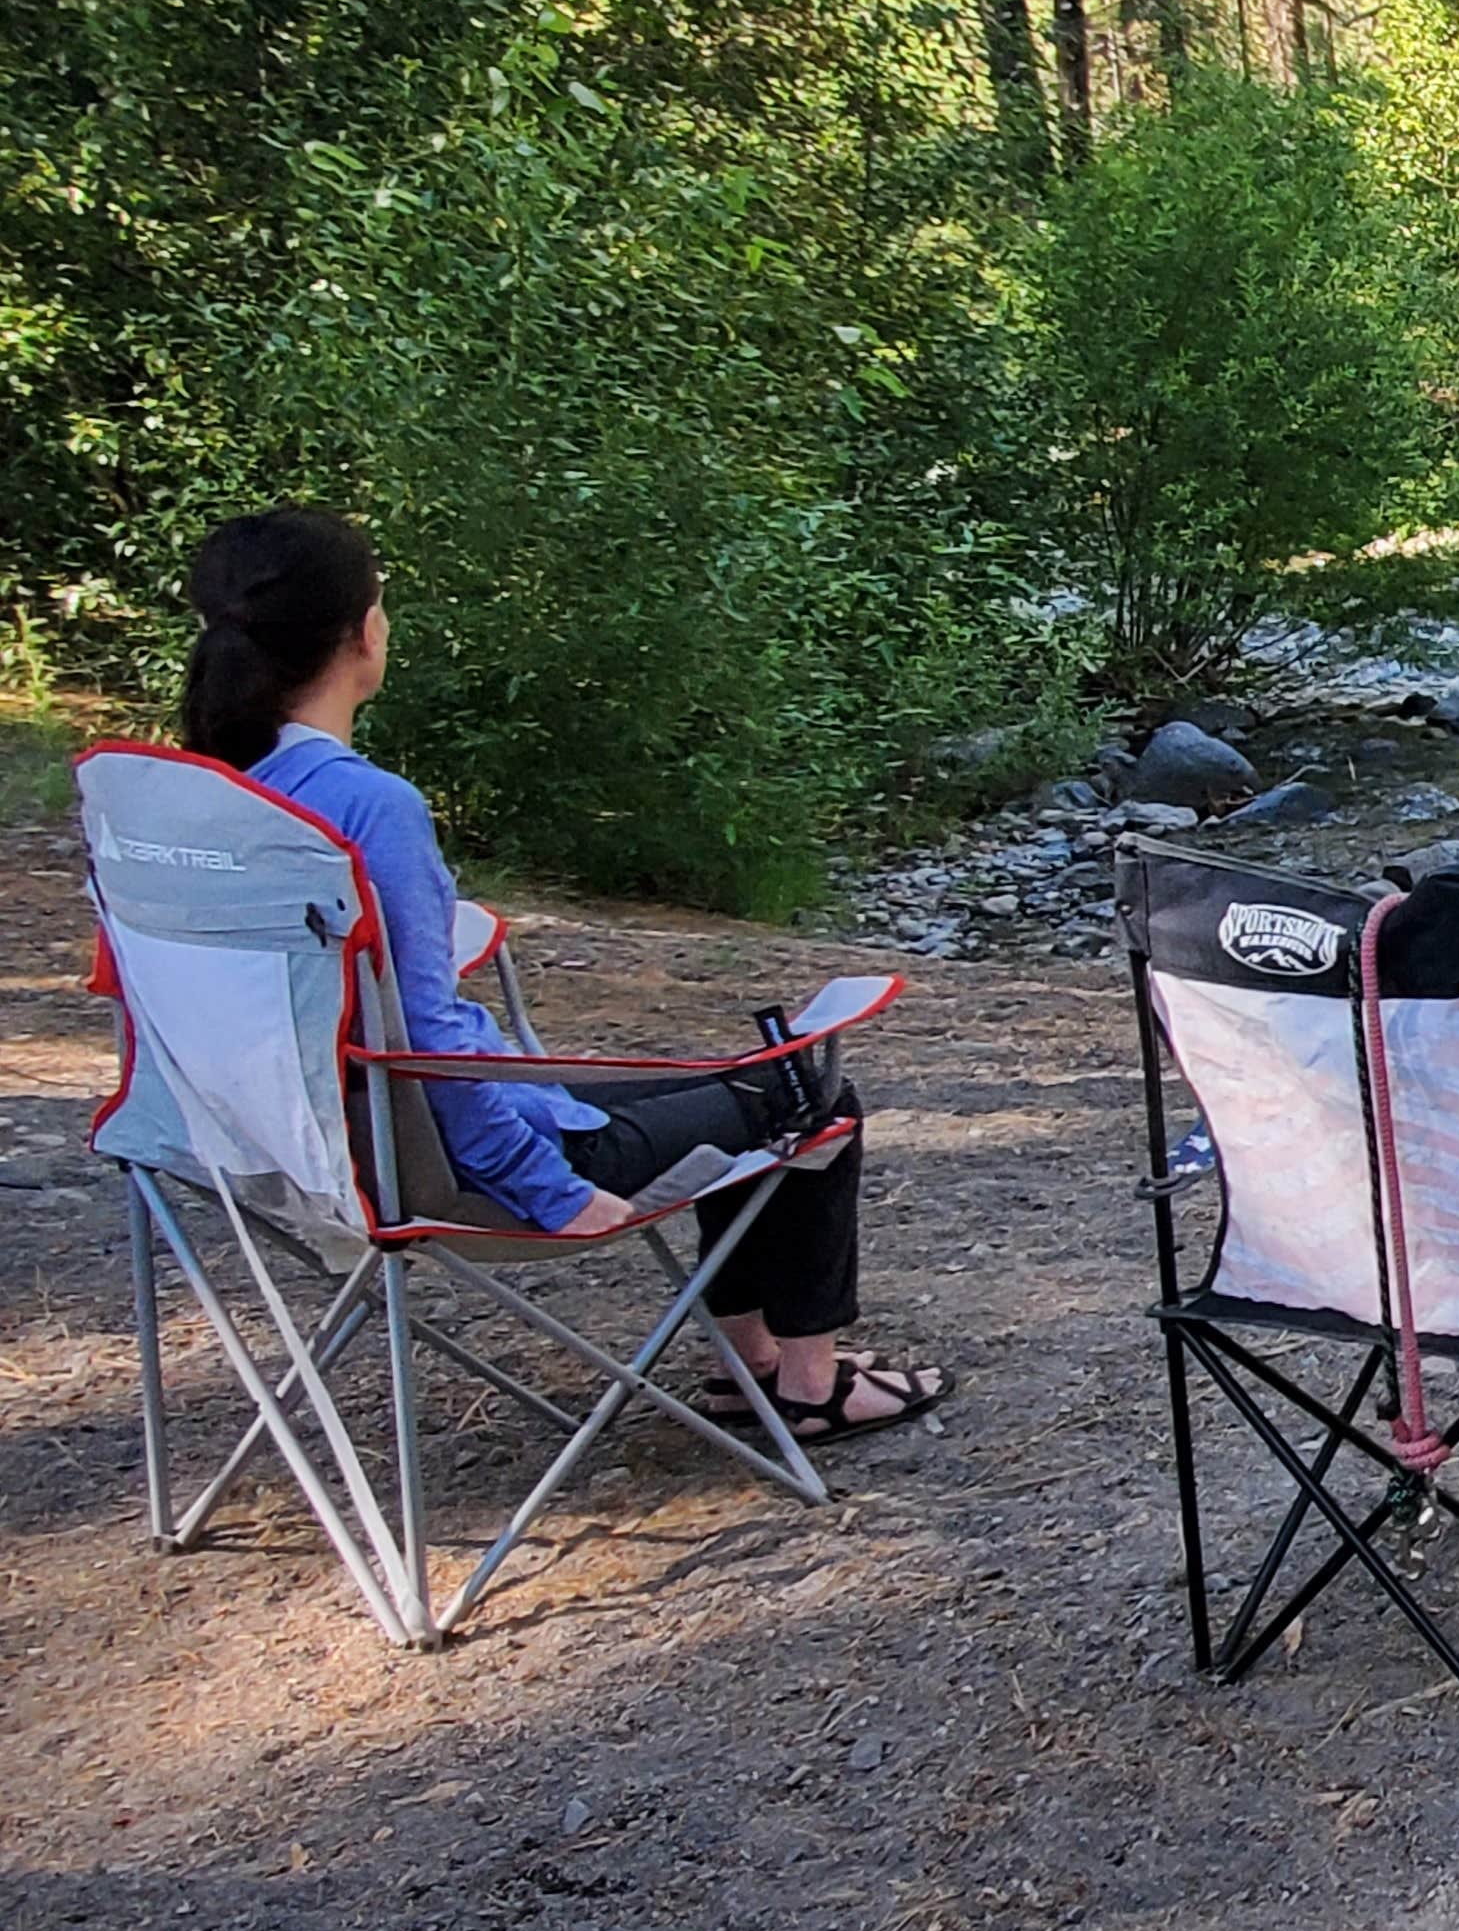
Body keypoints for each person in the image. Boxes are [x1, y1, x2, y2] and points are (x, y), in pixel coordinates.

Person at [180, 508, 948, 1441]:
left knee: (736, 1080)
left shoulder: (194, 805)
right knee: (810, 1086)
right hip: (442, 1159)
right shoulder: (366, 806)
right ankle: (809, 1383)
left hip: (281, 1147)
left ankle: (747, 1365)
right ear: (364, 632)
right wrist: (550, 1188)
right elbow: (423, 1038)